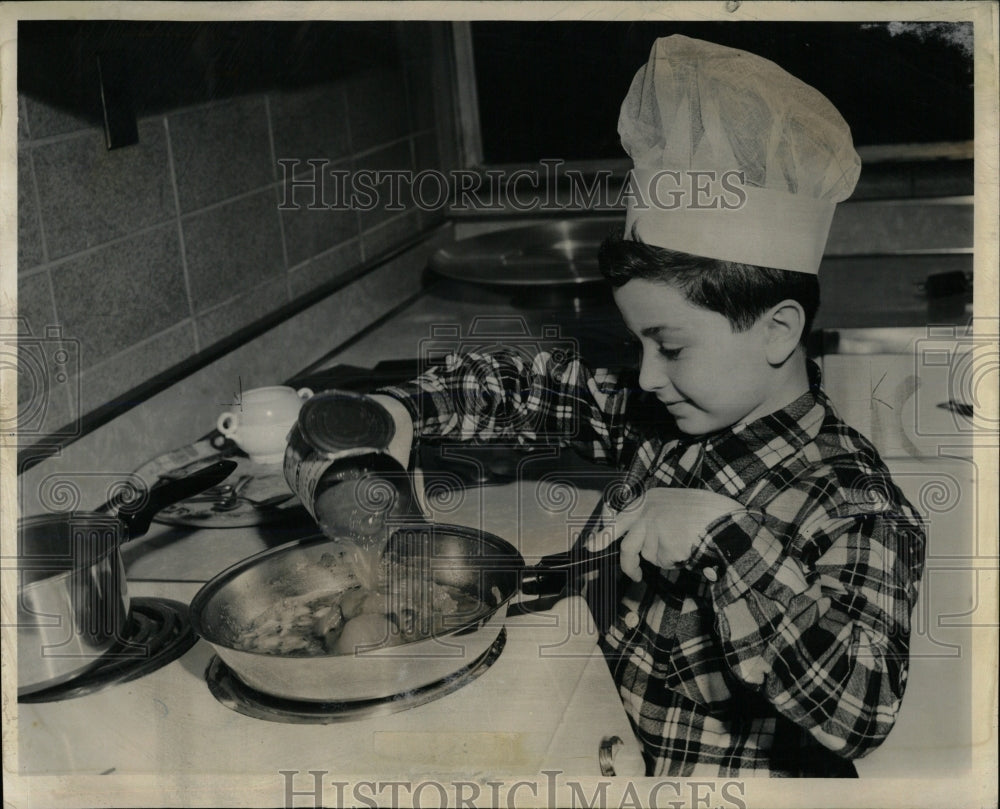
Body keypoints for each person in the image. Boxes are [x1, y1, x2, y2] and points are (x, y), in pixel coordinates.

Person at [350, 36, 927, 777]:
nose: (647, 376)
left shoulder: (854, 504)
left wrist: (727, 537)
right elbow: (530, 390)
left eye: (671, 346)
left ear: (778, 330)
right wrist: (398, 412)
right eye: (637, 346)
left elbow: (861, 705)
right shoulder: (672, 418)